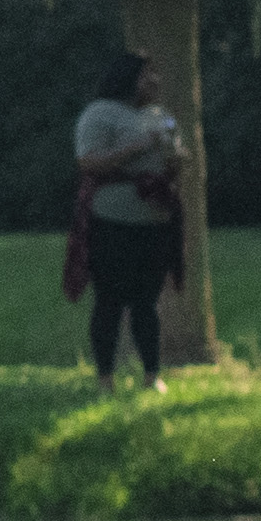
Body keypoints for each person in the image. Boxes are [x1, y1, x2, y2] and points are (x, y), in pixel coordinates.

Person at [62, 50, 195, 390]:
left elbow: (174, 156)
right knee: (109, 300)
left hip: (154, 222)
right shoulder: (99, 114)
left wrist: (176, 159)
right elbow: (88, 162)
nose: (156, 81)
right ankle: (105, 377)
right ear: (129, 78)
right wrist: (135, 149)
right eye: (148, 75)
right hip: (111, 221)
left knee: (147, 303)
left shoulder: (160, 115)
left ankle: (152, 375)